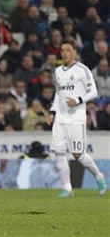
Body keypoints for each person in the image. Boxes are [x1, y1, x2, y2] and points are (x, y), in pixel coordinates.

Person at [47, 40, 106, 197]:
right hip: (60, 117)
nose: (65, 53)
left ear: (74, 52)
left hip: (76, 117)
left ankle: (99, 176)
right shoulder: (58, 71)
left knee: (78, 154)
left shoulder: (82, 70)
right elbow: (58, 94)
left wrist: (78, 100)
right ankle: (67, 188)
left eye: (68, 50)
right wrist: (52, 112)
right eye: (62, 50)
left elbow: (94, 92)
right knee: (59, 152)